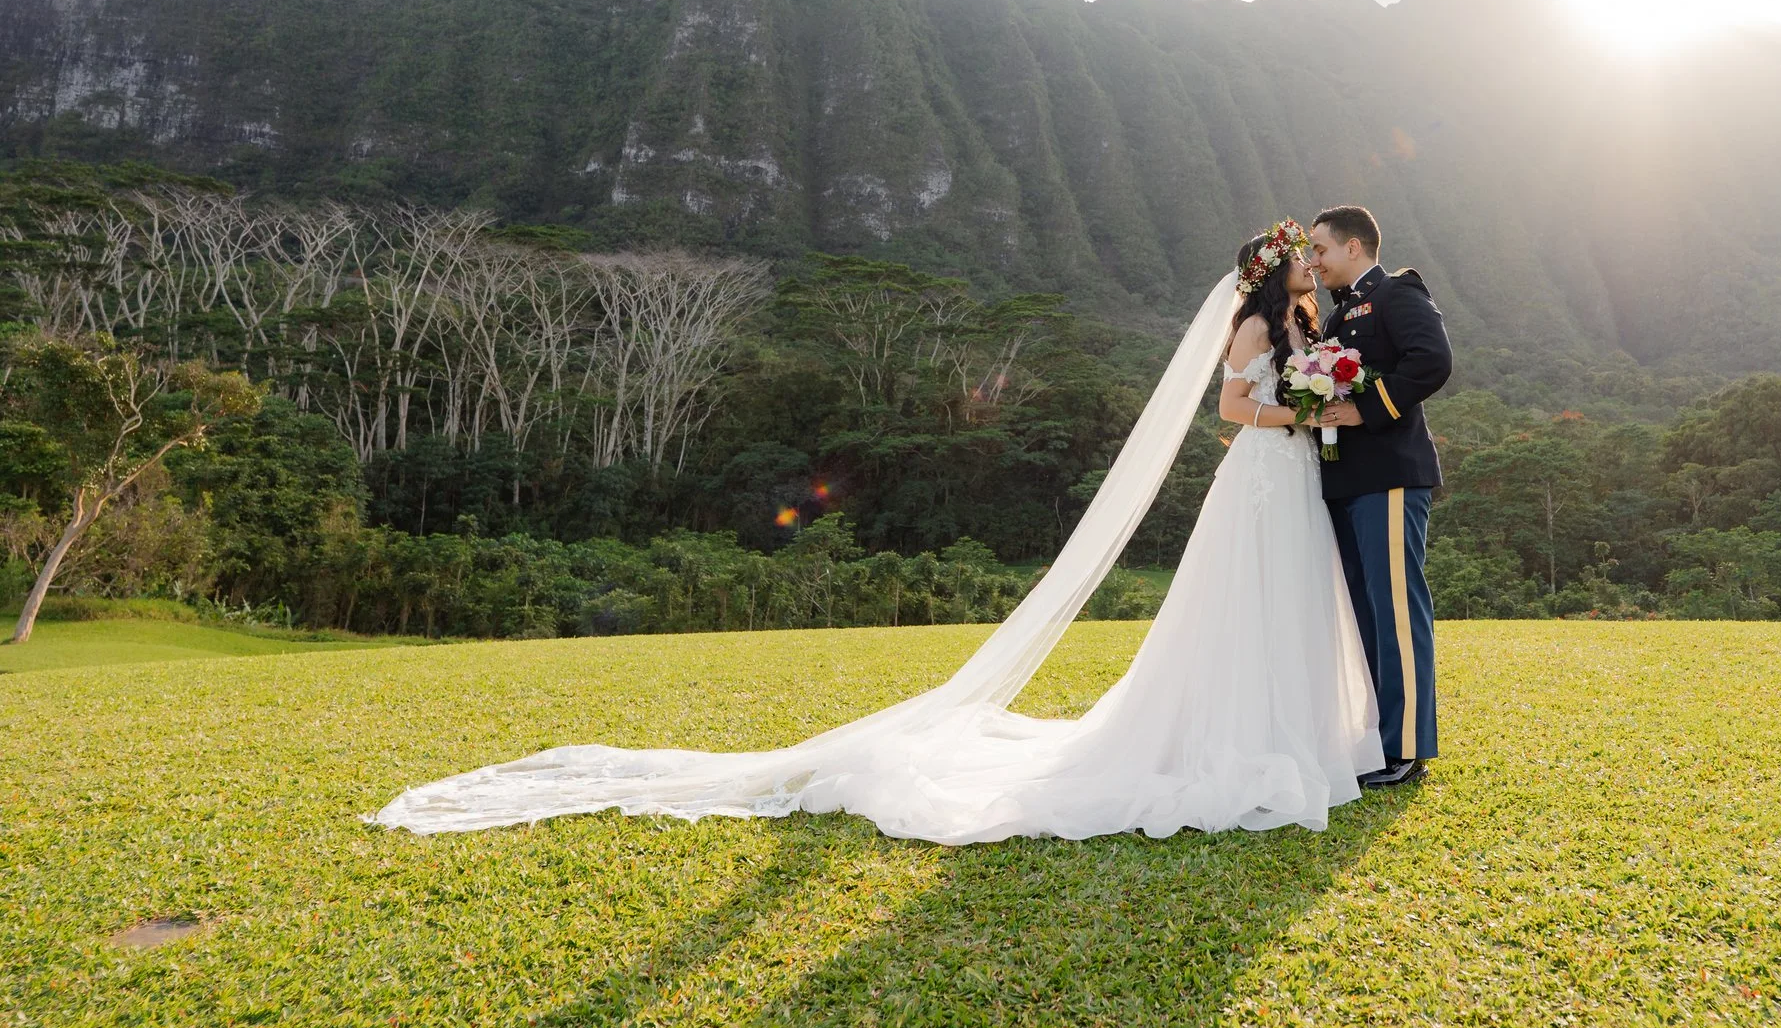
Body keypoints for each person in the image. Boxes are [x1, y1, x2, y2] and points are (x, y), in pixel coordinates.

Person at [366, 221, 1385, 843]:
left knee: (1291, 603)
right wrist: (1297, 410)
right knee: (1238, 606)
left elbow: (1312, 383)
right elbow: (1228, 413)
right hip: (1258, 471)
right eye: (1299, 268)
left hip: (1294, 480)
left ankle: (1300, 730)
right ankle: (1229, 736)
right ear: (1271, 275)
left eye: (1310, 271)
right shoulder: (1253, 332)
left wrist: (1319, 391)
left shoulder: (1307, 329)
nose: (1310, 281)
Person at [1306, 205, 1452, 788]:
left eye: (1320, 249)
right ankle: (1375, 740)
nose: (1314, 261)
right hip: (1345, 480)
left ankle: (1408, 748)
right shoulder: (1337, 316)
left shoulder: (1396, 293)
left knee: (1395, 611)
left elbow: (1432, 362)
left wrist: (1362, 409)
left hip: (1390, 474)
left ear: (1353, 248)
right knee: (1366, 613)